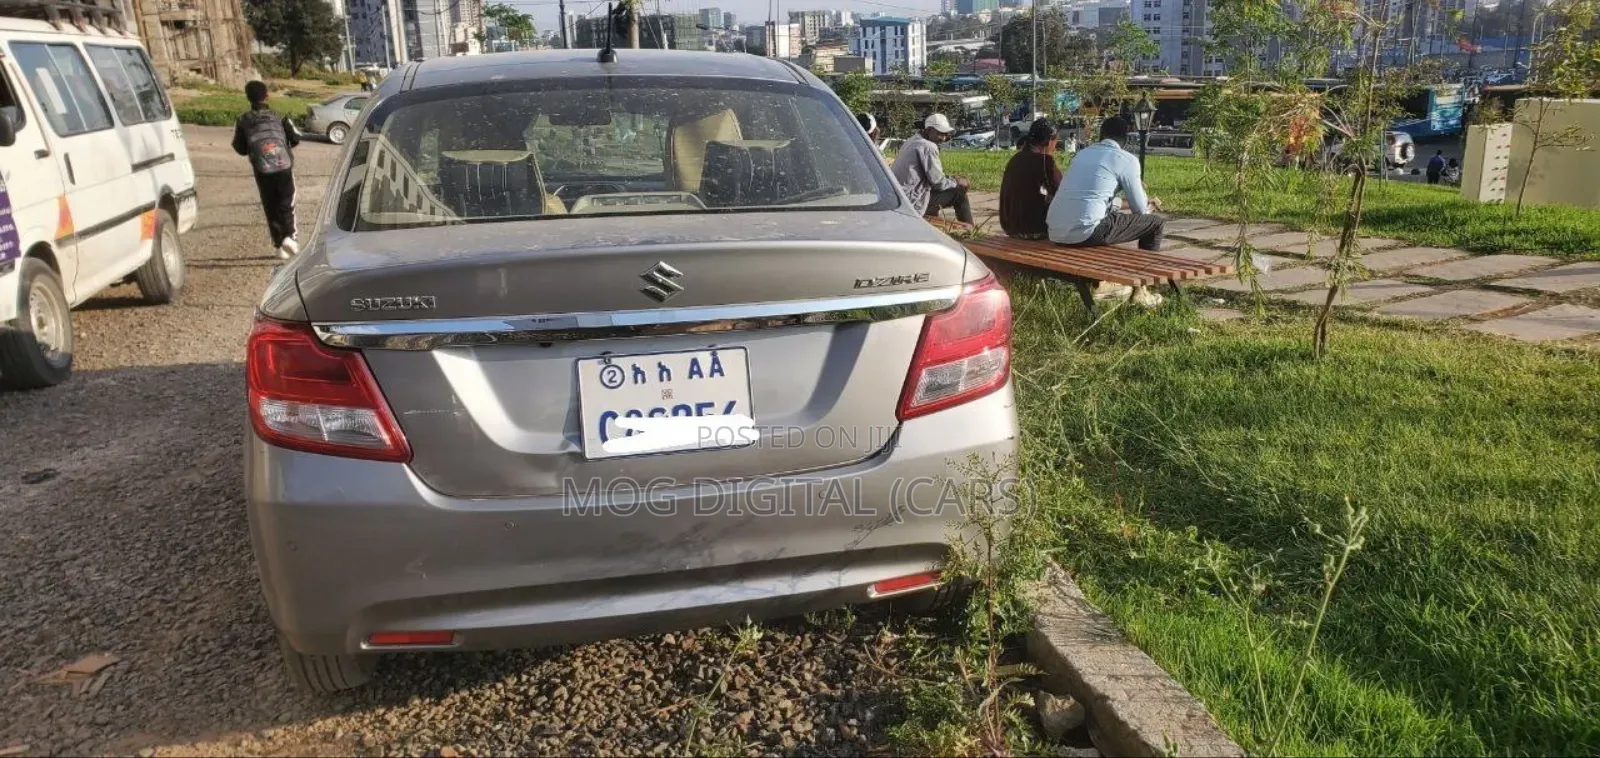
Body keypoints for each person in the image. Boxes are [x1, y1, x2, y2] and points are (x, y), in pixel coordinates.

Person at [1047, 116, 1165, 305]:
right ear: (1126, 139)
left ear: (1101, 135)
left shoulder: (1081, 155)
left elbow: (1094, 199)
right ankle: (1142, 289)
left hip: (1055, 231)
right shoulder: (1126, 160)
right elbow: (1141, 210)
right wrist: (1141, 194)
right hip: (1085, 233)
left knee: (1109, 220)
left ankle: (1108, 284)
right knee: (1155, 224)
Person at [232, 80, 302, 259]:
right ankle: (290, 237)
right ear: (267, 96)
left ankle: (280, 245)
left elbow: (239, 148)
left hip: (262, 169)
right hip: (284, 166)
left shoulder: (243, 120)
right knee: (287, 202)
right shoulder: (280, 117)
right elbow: (295, 139)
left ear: (248, 98)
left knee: (270, 205)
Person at [891, 113, 973, 225]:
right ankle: (969, 230)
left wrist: (951, 179)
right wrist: (957, 182)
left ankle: (931, 219)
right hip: (911, 200)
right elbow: (938, 183)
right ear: (929, 130)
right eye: (940, 133)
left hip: (899, 196)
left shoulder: (913, 140)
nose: (943, 138)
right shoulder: (928, 146)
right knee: (959, 193)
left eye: (945, 134)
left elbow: (933, 177)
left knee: (937, 190)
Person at [998, 118, 1063, 240]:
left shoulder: (1015, 158)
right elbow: (1063, 192)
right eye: (1056, 141)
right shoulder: (1045, 162)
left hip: (1011, 228)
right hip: (1034, 229)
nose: (1056, 146)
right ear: (1050, 141)